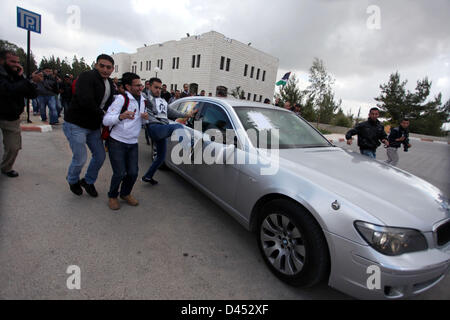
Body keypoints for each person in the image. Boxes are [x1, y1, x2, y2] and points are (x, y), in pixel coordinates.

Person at [63, 54, 115, 197]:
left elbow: (110, 104)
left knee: (99, 156)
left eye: (108, 67)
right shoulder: (87, 76)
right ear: (96, 65)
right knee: (80, 158)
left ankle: (88, 181)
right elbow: (85, 99)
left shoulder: (110, 83)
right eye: (102, 66)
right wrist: (104, 115)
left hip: (93, 126)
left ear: (112, 69)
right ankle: (73, 180)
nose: (105, 69)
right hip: (76, 124)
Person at [103, 72, 149, 210]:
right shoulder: (121, 99)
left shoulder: (143, 100)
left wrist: (145, 118)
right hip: (117, 141)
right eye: (137, 85)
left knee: (133, 172)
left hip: (133, 142)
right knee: (119, 172)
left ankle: (125, 193)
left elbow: (142, 121)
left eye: (141, 85)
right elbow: (106, 120)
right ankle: (112, 196)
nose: (140, 88)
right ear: (128, 86)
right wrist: (121, 116)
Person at [142, 78, 197, 185]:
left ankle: (147, 177)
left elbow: (173, 112)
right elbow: (137, 96)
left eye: (160, 88)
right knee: (177, 126)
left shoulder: (163, 101)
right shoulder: (146, 97)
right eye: (155, 87)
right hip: (154, 128)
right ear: (149, 87)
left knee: (161, 157)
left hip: (162, 129)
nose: (158, 90)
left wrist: (187, 115)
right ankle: (189, 148)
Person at [0, 50, 43, 178]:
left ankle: (6, 167)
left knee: (14, 147)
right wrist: (26, 81)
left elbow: (32, 94)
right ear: (2, 61)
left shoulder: (17, 75)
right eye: (12, 62)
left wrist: (31, 81)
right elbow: (7, 90)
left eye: (18, 62)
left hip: (11, 117)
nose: (16, 65)